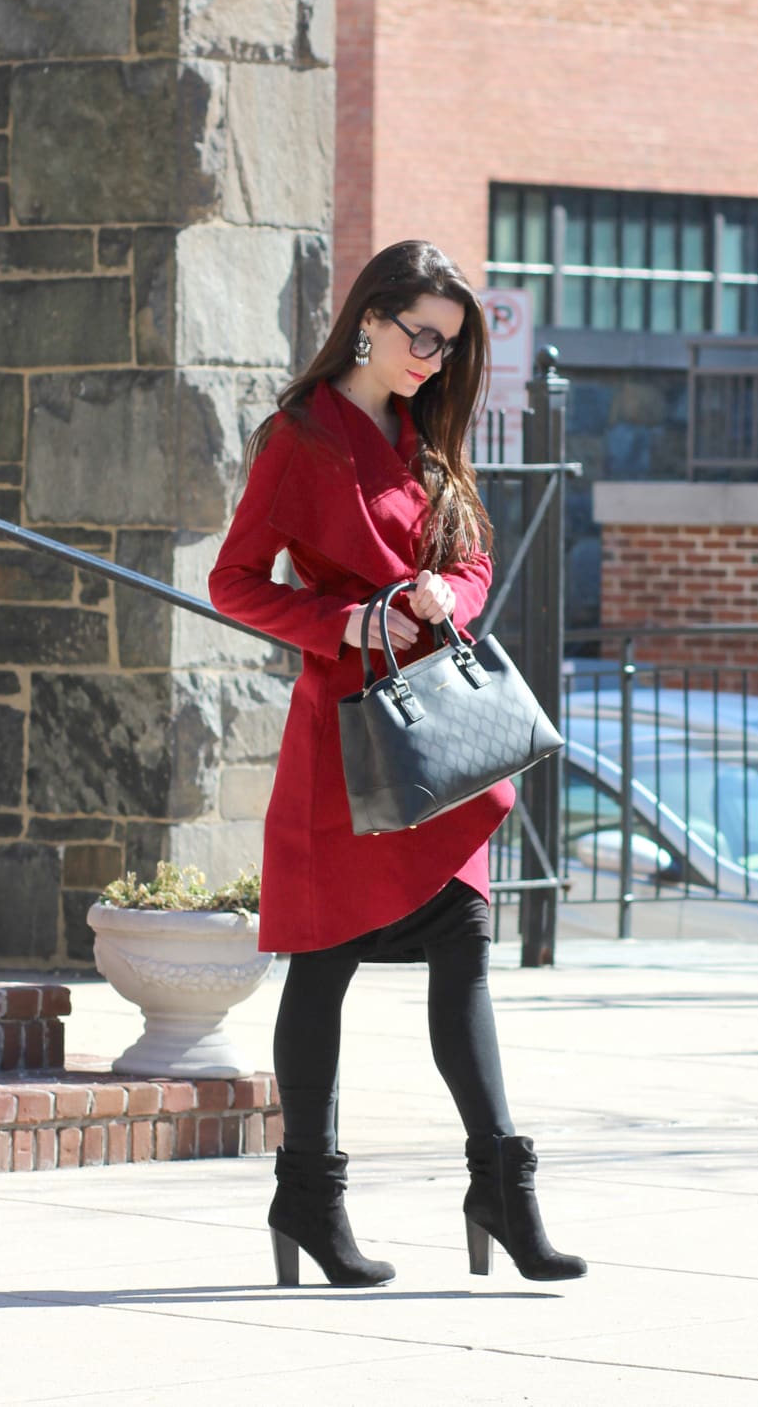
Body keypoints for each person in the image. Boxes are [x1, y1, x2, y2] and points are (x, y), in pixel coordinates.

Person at [208, 240, 586, 1288]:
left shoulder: (423, 432)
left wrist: (446, 599)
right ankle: (308, 1193)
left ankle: (502, 1186)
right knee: (322, 965)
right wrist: (349, 617)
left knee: (464, 946)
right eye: (421, 334)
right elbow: (235, 581)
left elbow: (471, 557)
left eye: (449, 343)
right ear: (368, 317)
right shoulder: (298, 437)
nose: (432, 357)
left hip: (441, 746)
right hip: (348, 740)